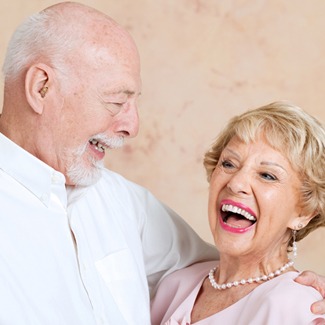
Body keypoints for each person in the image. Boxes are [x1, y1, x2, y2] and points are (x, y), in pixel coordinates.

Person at [0, 2, 324, 324]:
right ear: (41, 87)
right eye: (115, 101)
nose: (133, 126)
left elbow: (237, 269)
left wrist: (303, 294)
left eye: (267, 174)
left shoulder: (122, 202)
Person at [151, 101, 325, 324]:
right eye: (229, 164)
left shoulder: (296, 304)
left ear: (304, 213)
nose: (236, 183)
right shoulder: (175, 285)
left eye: (267, 175)